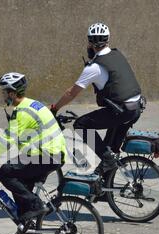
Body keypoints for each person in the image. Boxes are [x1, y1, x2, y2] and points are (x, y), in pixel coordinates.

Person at [0, 72, 66, 234]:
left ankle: (37, 205)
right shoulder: (33, 104)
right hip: (51, 153)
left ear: (13, 93)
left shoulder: (21, 113)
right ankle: (24, 230)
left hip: (46, 155)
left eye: (4, 91)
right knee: (19, 184)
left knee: (6, 173)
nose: (3, 95)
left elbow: (7, 140)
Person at [50, 22, 143, 175]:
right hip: (136, 108)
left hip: (122, 111)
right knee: (109, 148)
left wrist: (54, 108)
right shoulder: (117, 54)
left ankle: (108, 161)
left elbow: (71, 93)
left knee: (81, 124)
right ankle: (107, 187)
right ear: (108, 40)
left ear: (89, 43)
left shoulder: (94, 67)